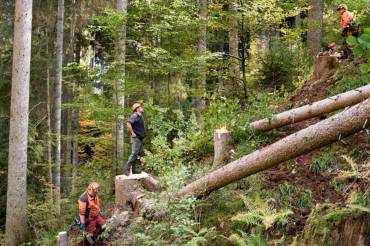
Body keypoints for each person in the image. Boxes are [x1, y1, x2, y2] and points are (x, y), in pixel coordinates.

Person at [124, 103, 145, 176]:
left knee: (136, 154)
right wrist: (132, 133)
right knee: (134, 154)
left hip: (139, 138)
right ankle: (126, 169)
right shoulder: (135, 115)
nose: (142, 108)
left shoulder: (140, 116)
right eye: (140, 107)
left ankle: (134, 170)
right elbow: (128, 123)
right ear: (137, 108)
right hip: (135, 138)